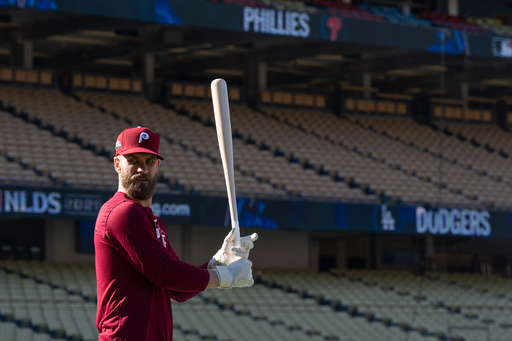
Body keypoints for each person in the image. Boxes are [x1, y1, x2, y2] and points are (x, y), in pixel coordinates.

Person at [94, 126, 258, 341]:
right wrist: (226, 277)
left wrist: (216, 262)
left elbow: (177, 290)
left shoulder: (153, 221)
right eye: (133, 160)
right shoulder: (123, 213)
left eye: (149, 161)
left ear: (157, 166)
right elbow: (166, 273)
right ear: (118, 164)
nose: (142, 169)